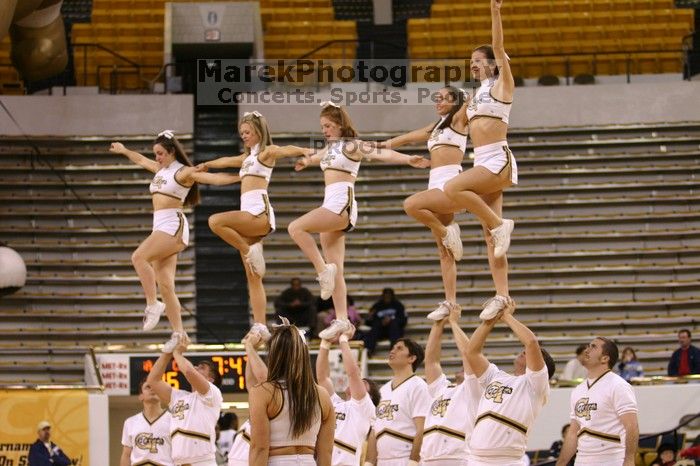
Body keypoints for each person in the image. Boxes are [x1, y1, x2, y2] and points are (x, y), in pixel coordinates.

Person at [289, 102, 429, 341]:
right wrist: (305, 161)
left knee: (295, 227)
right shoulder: (329, 148)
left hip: (342, 205)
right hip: (329, 205)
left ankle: (322, 271)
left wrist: (407, 160)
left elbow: (381, 153)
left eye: (329, 126)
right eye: (322, 126)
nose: (324, 130)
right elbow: (315, 157)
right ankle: (342, 319)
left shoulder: (352, 145)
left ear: (341, 125)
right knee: (338, 270)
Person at [110, 131, 239, 349]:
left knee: (139, 257)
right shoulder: (161, 170)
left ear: (171, 152)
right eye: (156, 154)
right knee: (167, 286)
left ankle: (152, 304)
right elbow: (140, 159)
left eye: (160, 153)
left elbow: (212, 179)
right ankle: (179, 333)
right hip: (159, 226)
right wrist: (124, 150)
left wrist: (242, 177)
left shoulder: (184, 172)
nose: (157, 158)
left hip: (173, 226)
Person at [198, 111, 313, 341]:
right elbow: (226, 161)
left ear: (258, 132)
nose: (244, 136)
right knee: (253, 277)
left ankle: (249, 250)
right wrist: (207, 164)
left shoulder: (266, 152)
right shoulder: (246, 157)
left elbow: (284, 149)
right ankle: (260, 324)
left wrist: (303, 151)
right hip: (247, 221)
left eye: (248, 132)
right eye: (242, 133)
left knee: (215, 221)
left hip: (258, 214)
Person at [443, 0, 518, 321]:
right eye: (470, 61)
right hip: (482, 163)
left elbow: (499, 46)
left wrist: (495, 12)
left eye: (477, 60)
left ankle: (501, 225)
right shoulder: (475, 95)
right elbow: (454, 125)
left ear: (492, 63)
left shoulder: (503, 84)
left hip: (498, 161)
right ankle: (502, 295)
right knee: (492, 241)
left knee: (452, 189)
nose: (472, 64)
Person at [378, 86, 468, 321]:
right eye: (436, 98)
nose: (437, 102)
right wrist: (378, 146)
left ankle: (447, 232)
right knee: (444, 253)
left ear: (455, 101)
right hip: (434, 184)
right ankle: (450, 302)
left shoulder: (459, 119)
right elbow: (407, 138)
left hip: (451, 184)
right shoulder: (435, 126)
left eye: (443, 98)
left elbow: (473, 99)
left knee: (411, 205)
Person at [465, 300, 556, 466]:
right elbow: (471, 352)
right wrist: (490, 320)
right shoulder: (497, 376)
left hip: (507, 461)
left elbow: (531, 343)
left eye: (535, 354)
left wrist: (506, 316)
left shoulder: (536, 385)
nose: (525, 351)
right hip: (475, 458)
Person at [247, 318, 336, 466]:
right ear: (303, 355)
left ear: (274, 356)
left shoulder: (262, 392)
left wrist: (249, 347)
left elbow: (259, 448)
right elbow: (326, 453)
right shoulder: (322, 395)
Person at [555, 337, 639, 466]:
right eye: (588, 346)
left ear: (605, 358)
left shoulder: (618, 385)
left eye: (593, 347)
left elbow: (631, 426)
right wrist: (561, 463)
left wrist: (629, 460)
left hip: (612, 460)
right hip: (582, 460)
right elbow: (573, 432)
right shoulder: (578, 390)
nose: (587, 350)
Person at [147, 334, 223, 466]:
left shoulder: (212, 393)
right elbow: (153, 381)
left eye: (202, 368)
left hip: (202, 462)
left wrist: (177, 353)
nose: (196, 367)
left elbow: (188, 371)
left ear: (211, 380)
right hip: (178, 463)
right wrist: (167, 353)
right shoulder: (179, 397)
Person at [421, 303, 481, 465]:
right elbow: (431, 361)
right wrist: (438, 324)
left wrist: (454, 323)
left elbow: (469, 353)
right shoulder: (441, 388)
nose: (463, 367)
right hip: (428, 458)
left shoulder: (473, 388)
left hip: (457, 458)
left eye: (466, 367)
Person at [317, 324, 380, 465]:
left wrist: (344, 340)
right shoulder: (336, 403)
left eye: (363, 383)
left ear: (369, 397)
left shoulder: (365, 409)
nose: (357, 383)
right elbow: (322, 378)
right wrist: (325, 343)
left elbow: (352, 374)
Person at [368, 338, 432, 466]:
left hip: (404, 459)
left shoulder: (418, 386)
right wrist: (369, 462)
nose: (392, 351)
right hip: (382, 461)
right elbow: (375, 431)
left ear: (411, 358)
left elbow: (422, 429)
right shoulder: (384, 389)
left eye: (399, 348)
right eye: (393, 347)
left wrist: (413, 461)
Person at [120, 379, 173, 466]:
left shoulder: (173, 420)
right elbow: (126, 455)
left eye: (156, 387)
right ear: (141, 396)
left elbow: (181, 455)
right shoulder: (130, 422)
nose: (152, 389)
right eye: (148, 387)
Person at [363, 288, 407, 356]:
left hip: (394, 331)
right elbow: (368, 322)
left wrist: (391, 320)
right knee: (376, 325)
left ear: (392, 296)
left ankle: (394, 351)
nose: (387, 297)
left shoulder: (398, 305)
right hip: (380, 331)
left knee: (394, 324)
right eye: (386, 296)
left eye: (389, 296)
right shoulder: (377, 306)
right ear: (383, 296)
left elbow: (404, 320)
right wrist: (373, 318)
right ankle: (369, 350)